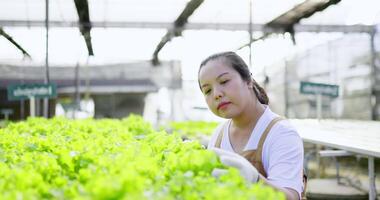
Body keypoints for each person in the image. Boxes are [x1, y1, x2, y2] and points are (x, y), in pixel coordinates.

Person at [198, 51, 305, 200]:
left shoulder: (281, 133)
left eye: (224, 81)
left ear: (248, 81)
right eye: (207, 90)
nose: (216, 94)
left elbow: (290, 197)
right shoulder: (219, 134)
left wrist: (255, 180)